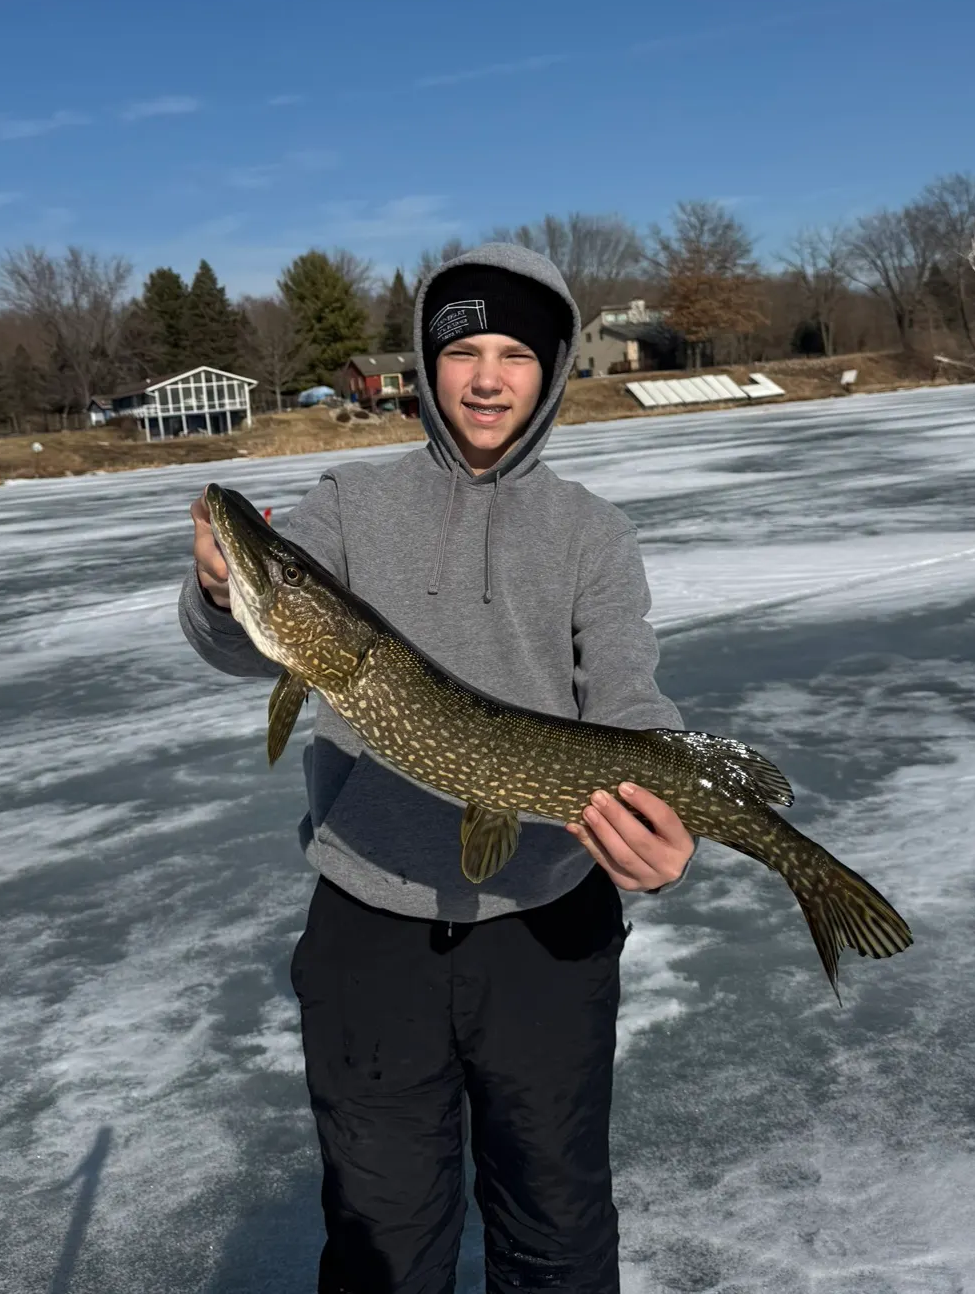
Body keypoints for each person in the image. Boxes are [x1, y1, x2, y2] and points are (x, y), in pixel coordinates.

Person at [180, 243, 696, 1294]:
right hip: (372, 931)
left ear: (551, 370)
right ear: (427, 361)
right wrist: (219, 587)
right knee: (384, 1238)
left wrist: (659, 817)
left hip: (546, 933)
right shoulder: (349, 503)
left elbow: (629, 699)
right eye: (465, 350)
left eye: (517, 353)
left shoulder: (593, 532)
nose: (489, 377)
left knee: (555, 1225)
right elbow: (250, 636)